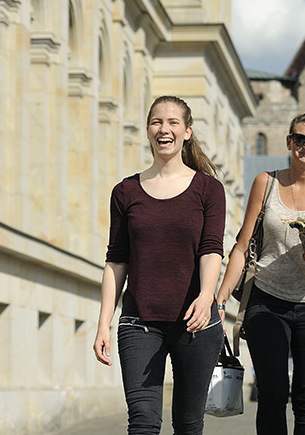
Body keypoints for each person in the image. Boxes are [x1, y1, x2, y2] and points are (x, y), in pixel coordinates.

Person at [93, 95, 226, 435]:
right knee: (142, 422)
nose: (163, 129)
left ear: (187, 132)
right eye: (156, 122)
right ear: (148, 131)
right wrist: (103, 323)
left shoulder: (208, 189)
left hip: (196, 321)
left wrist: (206, 296)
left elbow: (212, 249)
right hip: (139, 322)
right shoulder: (125, 192)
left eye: (172, 123)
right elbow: (116, 260)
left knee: (188, 423)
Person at [215, 112, 305, 435]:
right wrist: (219, 298)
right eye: (300, 139)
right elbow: (241, 246)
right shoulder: (266, 182)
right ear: (289, 141)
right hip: (267, 302)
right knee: (272, 397)